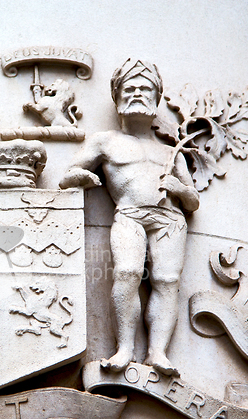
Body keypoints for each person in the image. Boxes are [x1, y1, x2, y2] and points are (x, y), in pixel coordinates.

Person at [59, 60, 200, 376]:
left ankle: (158, 352)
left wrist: (179, 187)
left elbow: (192, 203)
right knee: (127, 274)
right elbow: (68, 174)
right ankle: (124, 348)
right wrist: (82, 177)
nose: (137, 93)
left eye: (144, 89)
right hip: (130, 216)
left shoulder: (169, 151)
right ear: (118, 97)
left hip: (169, 220)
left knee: (166, 281)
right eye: (130, 88)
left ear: (155, 98)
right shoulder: (105, 141)